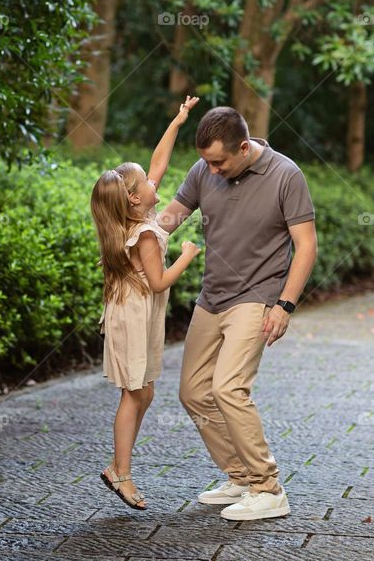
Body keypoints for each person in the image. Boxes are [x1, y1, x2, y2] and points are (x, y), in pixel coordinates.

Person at [156, 106, 318, 521]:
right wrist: (135, 239)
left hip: (257, 297)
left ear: (244, 148)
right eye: (206, 161)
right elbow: (170, 219)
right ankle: (241, 476)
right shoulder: (203, 171)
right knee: (193, 392)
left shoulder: (286, 176)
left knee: (229, 388)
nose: (211, 169)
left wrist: (285, 304)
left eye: (218, 161)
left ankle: (268, 488)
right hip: (212, 296)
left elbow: (306, 246)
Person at [90, 96, 202, 510]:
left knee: (145, 392)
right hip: (134, 314)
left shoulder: (134, 219)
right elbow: (157, 283)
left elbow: (157, 164)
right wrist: (188, 255)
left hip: (136, 313)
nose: (156, 183)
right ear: (135, 199)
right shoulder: (148, 234)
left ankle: (117, 465)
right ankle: (121, 473)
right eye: (147, 185)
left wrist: (177, 121)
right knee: (134, 395)